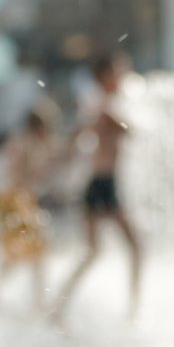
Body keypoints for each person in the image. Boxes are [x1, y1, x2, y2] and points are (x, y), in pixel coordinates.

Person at [49, 51, 144, 323]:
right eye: (118, 70)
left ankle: (58, 306)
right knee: (132, 246)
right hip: (103, 184)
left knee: (94, 251)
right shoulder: (103, 105)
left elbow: (78, 137)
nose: (124, 75)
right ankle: (133, 309)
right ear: (105, 76)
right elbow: (127, 130)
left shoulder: (101, 105)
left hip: (101, 183)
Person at [0, 100, 57, 312]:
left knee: (20, 251)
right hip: (17, 201)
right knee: (34, 249)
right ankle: (37, 299)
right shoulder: (25, 142)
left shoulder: (25, 141)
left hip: (18, 200)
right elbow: (17, 173)